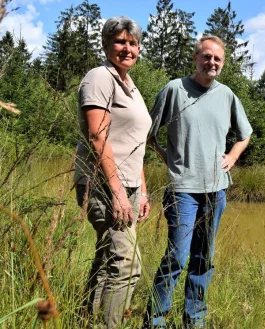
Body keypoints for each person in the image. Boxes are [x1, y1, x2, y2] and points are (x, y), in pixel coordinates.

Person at [142, 35, 253, 328]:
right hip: (182, 191)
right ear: (195, 58)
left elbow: (245, 135)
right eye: (206, 57)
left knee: (204, 259)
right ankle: (155, 320)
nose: (211, 62)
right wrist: (167, 158)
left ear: (223, 62)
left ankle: (195, 320)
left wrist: (232, 156)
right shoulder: (174, 90)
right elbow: (148, 134)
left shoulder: (227, 95)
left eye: (217, 58)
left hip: (216, 190)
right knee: (177, 257)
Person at [73, 16, 151, 329]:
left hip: (128, 185)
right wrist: (118, 193)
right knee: (128, 264)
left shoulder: (130, 86)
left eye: (132, 43)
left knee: (109, 261)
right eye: (120, 41)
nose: (127, 48)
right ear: (106, 45)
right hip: (105, 185)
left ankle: (88, 321)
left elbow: (136, 144)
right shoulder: (100, 77)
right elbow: (97, 137)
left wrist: (142, 190)